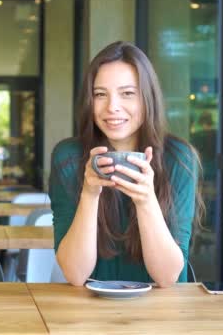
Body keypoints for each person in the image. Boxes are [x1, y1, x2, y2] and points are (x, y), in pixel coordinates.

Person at [50, 41, 202, 287]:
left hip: (162, 314)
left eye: (127, 93)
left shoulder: (179, 158)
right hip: (89, 311)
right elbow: (76, 274)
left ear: (147, 98)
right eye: (100, 94)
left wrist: (145, 200)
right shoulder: (69, 157)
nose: (112, 107)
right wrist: (89, 193)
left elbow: (167, 277)